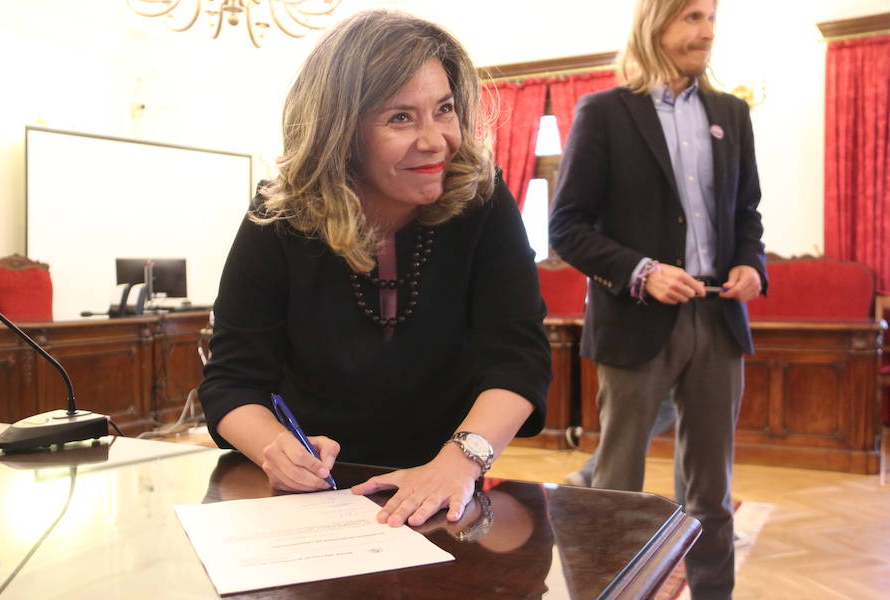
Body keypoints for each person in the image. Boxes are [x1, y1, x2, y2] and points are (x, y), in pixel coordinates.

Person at [198, 10, 551, 531]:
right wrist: (276, 447)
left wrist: (459, 461)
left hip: (443, 482)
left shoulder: (484, 201)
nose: (435, 141)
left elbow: (519, 360)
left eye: (444, 110)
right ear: (341, 133)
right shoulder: (279, 217)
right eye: (401, 117)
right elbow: (232, 381)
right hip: (315, 500)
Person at [549, 0, 766, 597]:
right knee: (617, 491)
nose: (708, 31)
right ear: (656, 24)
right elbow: (566, 228)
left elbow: (746, 215)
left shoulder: (731, 113)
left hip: (718, 320)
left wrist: (751, 263)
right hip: (634, 320)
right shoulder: (604, 113)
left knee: (711, 497)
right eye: (693, 17)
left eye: (712, 17)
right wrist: (643, 271)